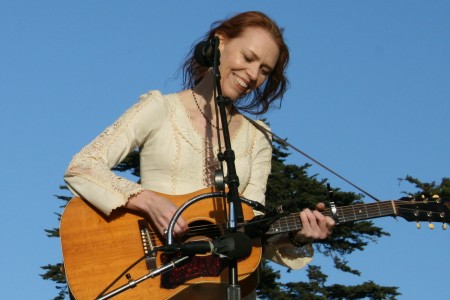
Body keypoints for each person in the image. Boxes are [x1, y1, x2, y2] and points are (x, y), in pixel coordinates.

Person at [64, 11, 335, 299]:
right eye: (248, 57)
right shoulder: (160, 108)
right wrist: (145, 200)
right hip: (156, 284)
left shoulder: (259, 137)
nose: (254, 75)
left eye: (265, 70)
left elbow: (251, 224)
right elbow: (82, 166)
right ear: (218, 43)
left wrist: (295, 235)